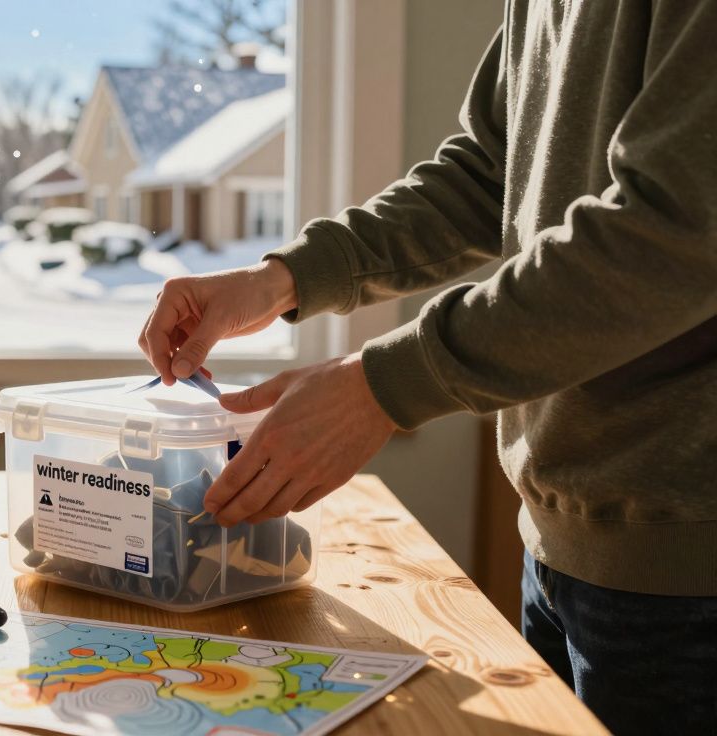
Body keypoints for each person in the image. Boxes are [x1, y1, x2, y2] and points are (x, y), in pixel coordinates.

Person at [138, 2, 716, 733]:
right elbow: (487, 176)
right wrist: (282, 279)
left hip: (688, 565)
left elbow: (675, 232)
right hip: (563, 534)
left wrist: (379, 386)